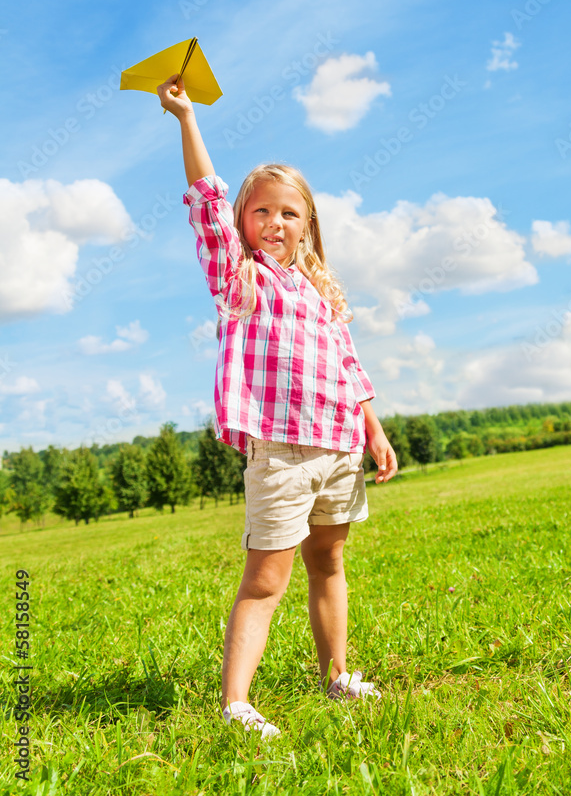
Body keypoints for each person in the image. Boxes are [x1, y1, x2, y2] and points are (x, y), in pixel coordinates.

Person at [158, 74, 398, 739]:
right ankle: (236, 705)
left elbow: (349, 366)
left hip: (340, 447)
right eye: (259, 211)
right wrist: (185, 118)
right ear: (241, 224)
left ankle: (336, 676)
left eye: (288, 213)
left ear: (307, 223)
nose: (274, 223)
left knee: (330, 563)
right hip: (283, 452)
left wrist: (373, 430)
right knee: (266, 580)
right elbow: (205, 199)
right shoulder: (241, 280)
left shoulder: (320, 291)